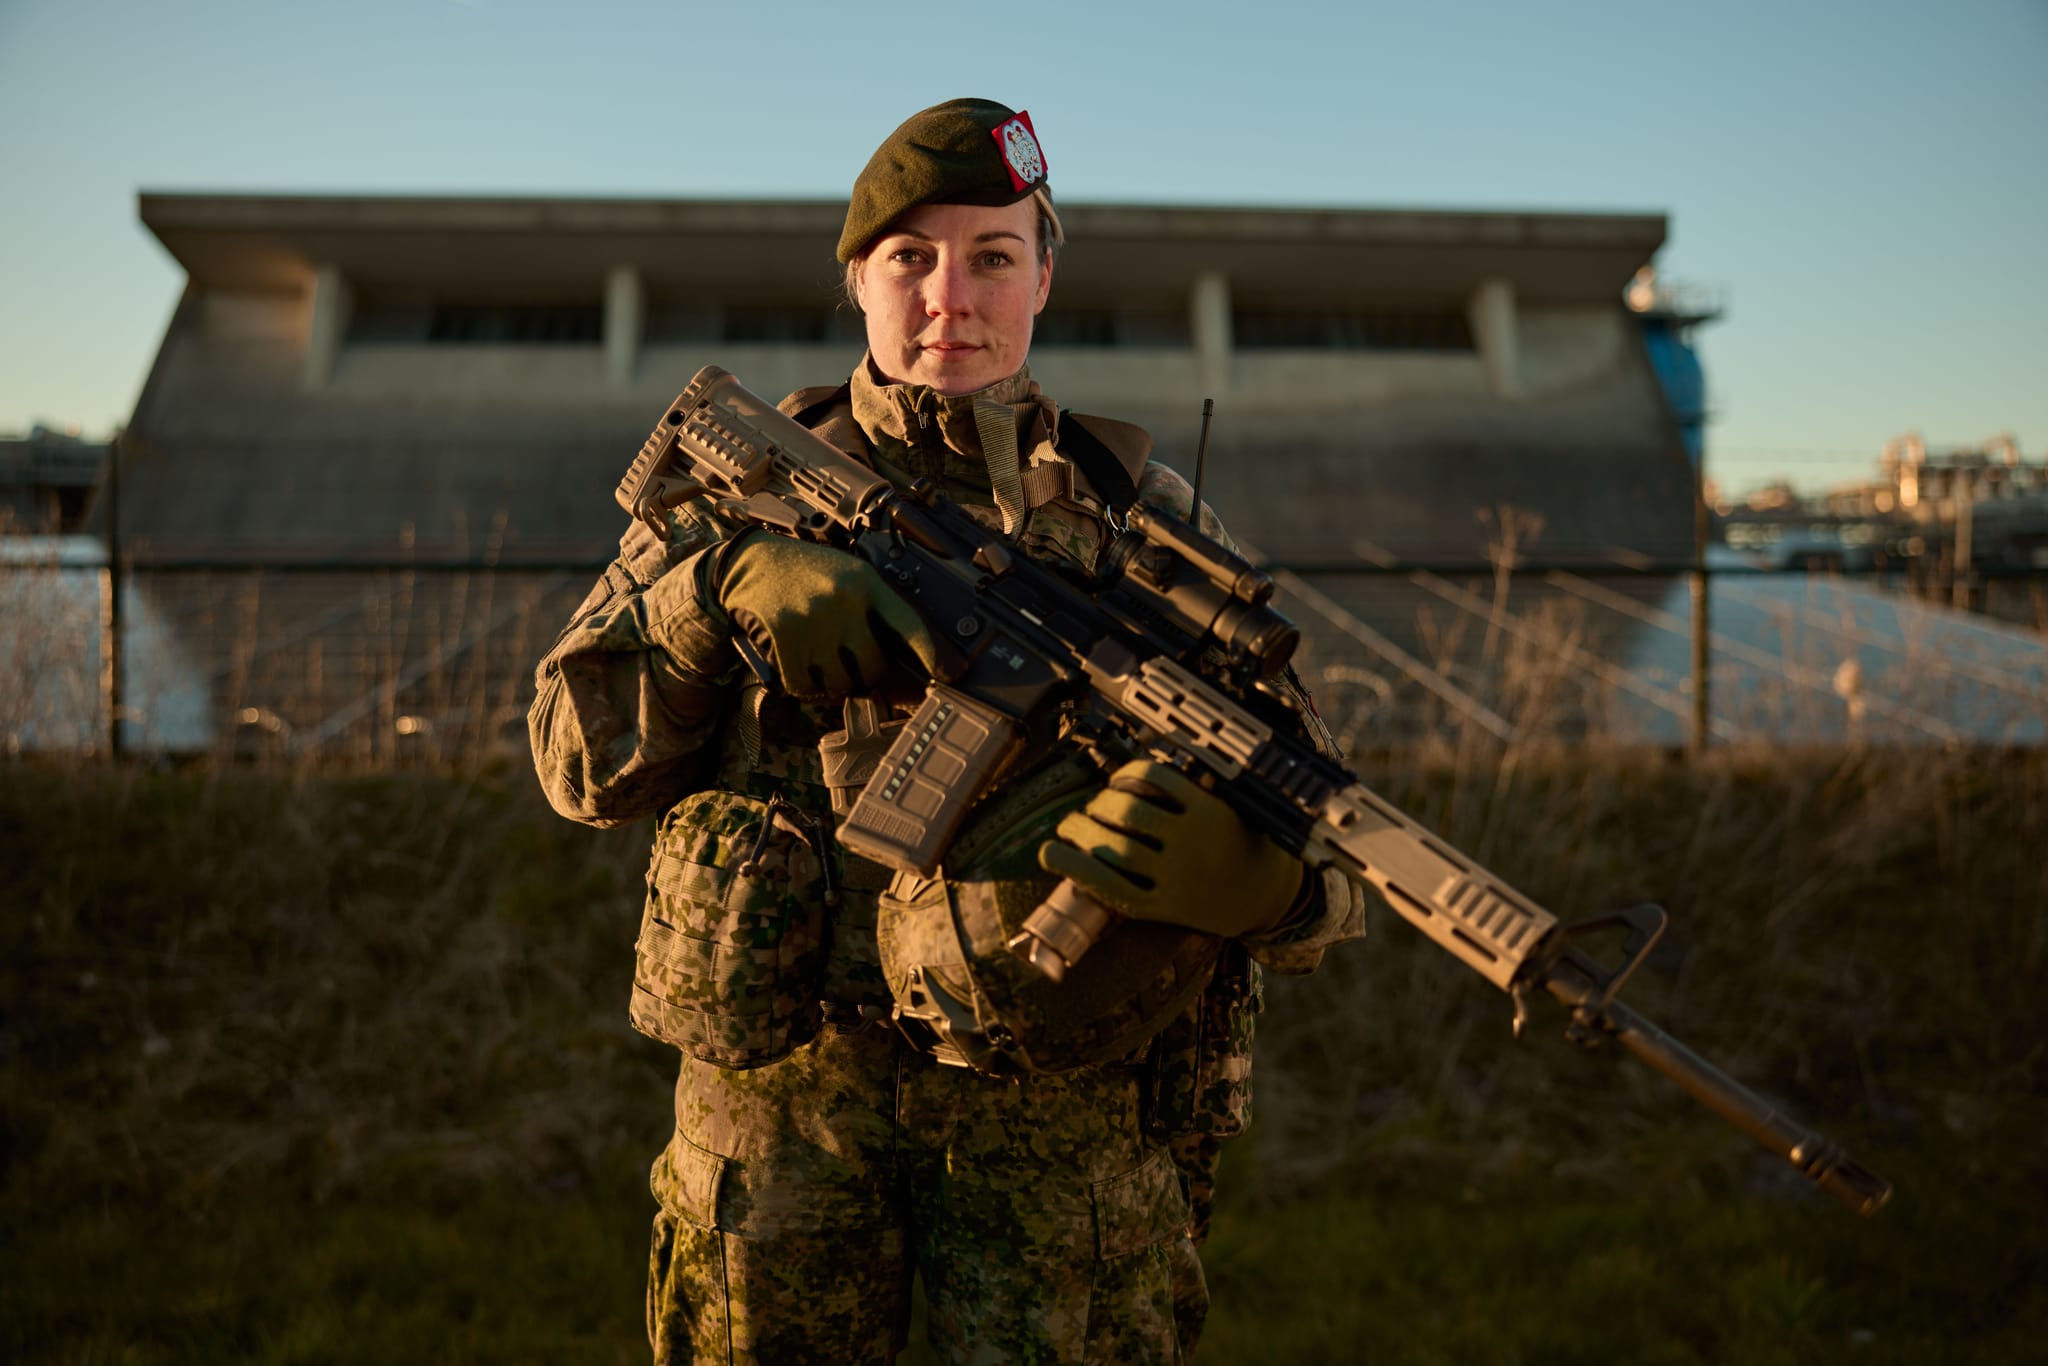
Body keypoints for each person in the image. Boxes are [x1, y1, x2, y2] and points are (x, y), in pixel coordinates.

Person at [529, 98, 1363, 1365]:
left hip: (1059, 1139)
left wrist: (1261, 889)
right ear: (856, 279)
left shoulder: (1144, 524)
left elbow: (1336, 855)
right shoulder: (742, 484)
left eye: (992, 255)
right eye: (909, 257)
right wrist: (708, 601)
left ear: (1040, 277)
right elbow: (572, 762)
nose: (948, 298)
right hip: (778, 1112)